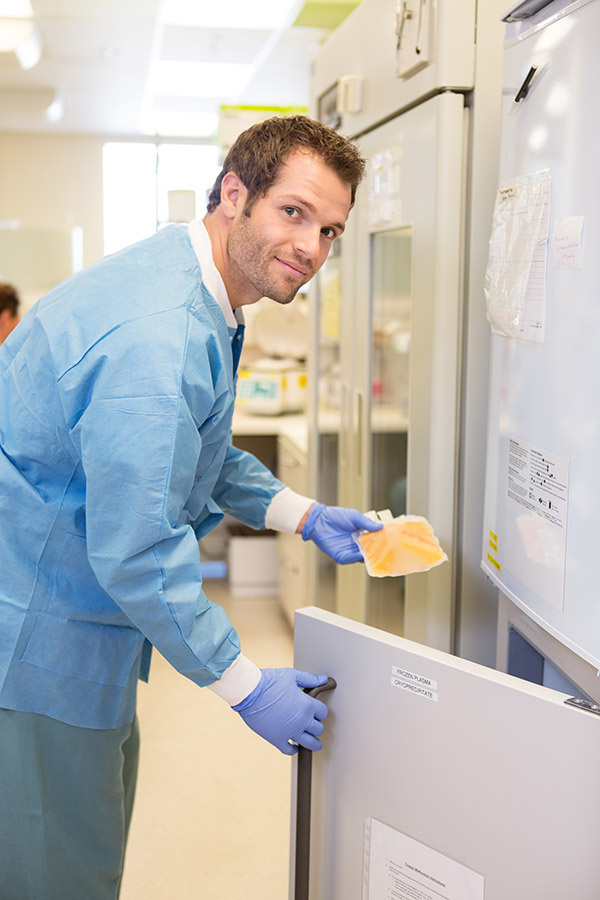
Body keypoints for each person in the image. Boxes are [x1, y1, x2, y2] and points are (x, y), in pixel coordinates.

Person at [0, 115, 382, 899]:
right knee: (57, 869)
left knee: (82, 837)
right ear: (235, 194)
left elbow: (193, 452)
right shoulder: (159, 333)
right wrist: (246, 685)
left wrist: (302, 514)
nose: (312, 249)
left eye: (331, 231)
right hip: (37, 638)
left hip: (75, 617)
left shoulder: (199, 291)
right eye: (294, 213)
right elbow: (140, 548)